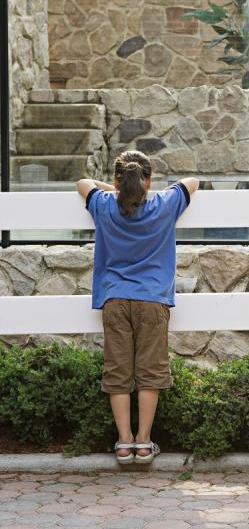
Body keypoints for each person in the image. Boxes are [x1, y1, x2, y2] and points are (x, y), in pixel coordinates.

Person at [76, 151, 199, 464]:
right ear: (150, 181)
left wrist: (117, 190)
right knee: (150, 371)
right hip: (153, 299)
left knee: (117, 369)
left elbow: (82, 183)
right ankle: (143, 443)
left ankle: (123, 441)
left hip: (115, 299)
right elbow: (192, 182)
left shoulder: (104, 205)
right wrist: (137, 189)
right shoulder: (164, 204)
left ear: (118, 181)